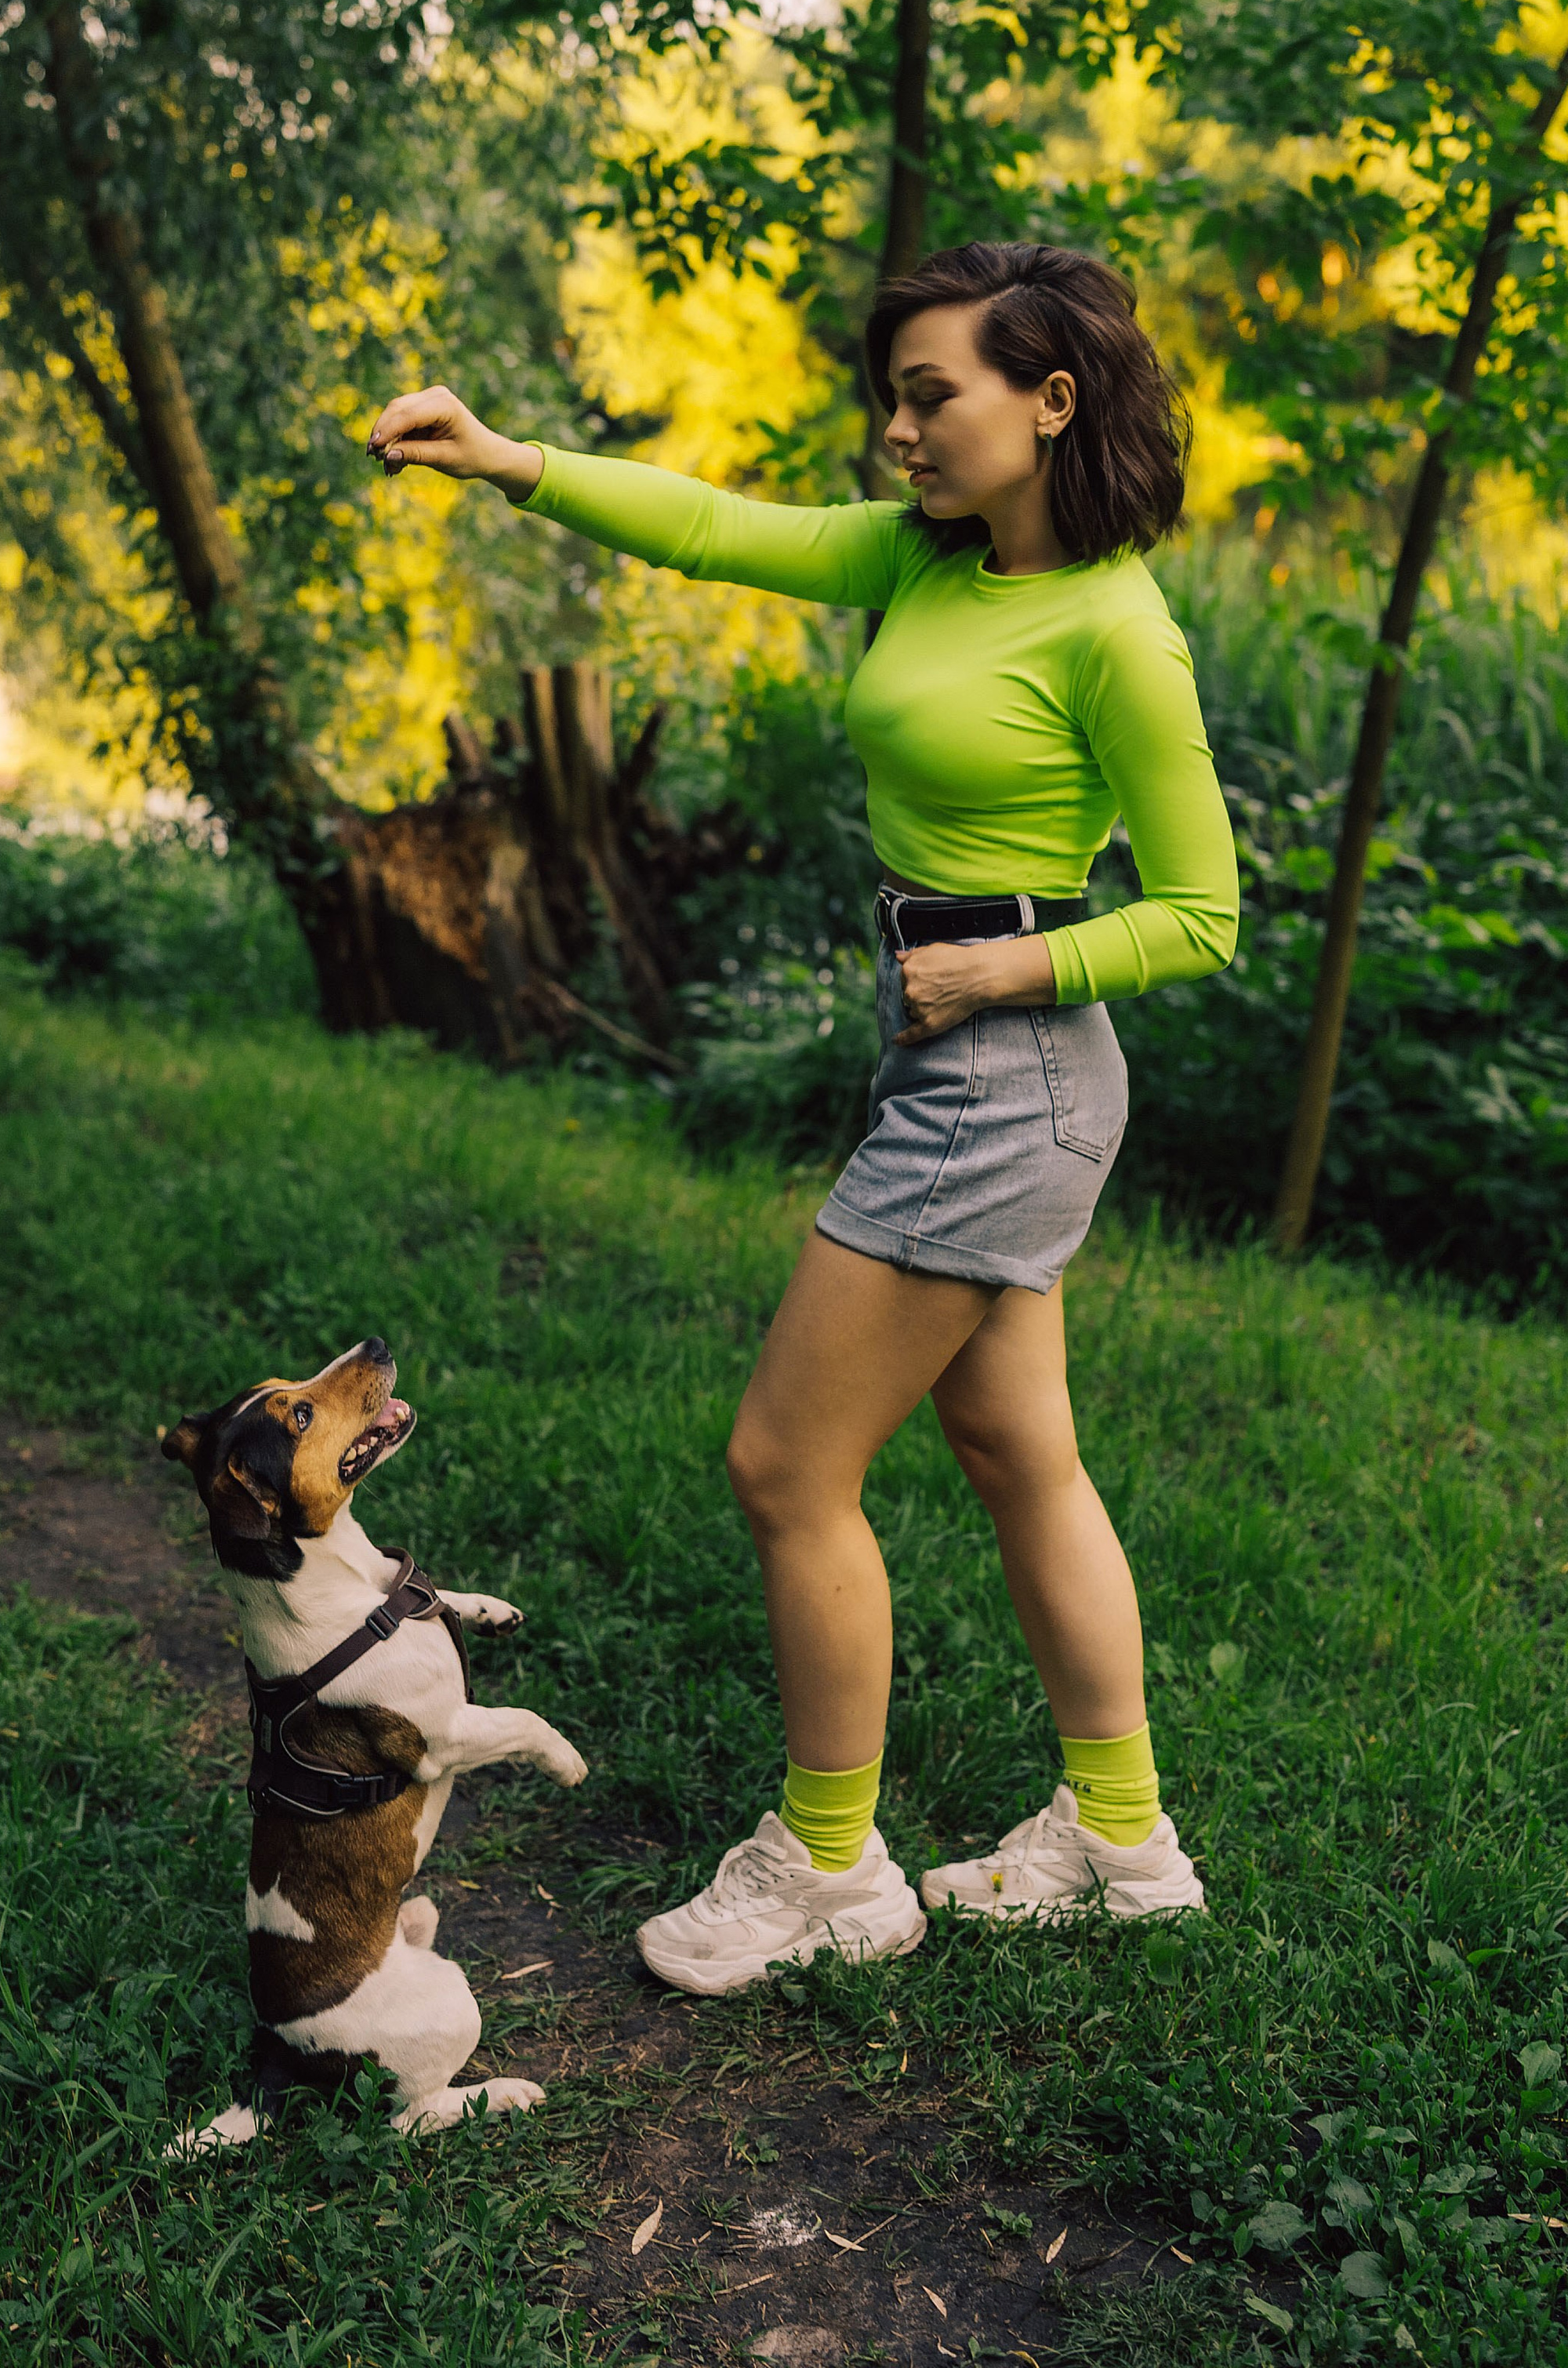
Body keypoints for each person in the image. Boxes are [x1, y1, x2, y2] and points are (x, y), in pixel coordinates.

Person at [365, 240, 1239, 1991]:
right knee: (1015, 1454)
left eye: (932, 397)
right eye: (891, 398)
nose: (898, 432)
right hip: (959, 1056)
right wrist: (503, 456)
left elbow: (1204, 916)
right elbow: (705, 523)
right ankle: (1121, 1841)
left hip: (1005, 1069)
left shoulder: (1115, 627)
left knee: (785, 1465)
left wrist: (999, 979)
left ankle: (829, 1869)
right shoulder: (920, 565)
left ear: (1046, 401)